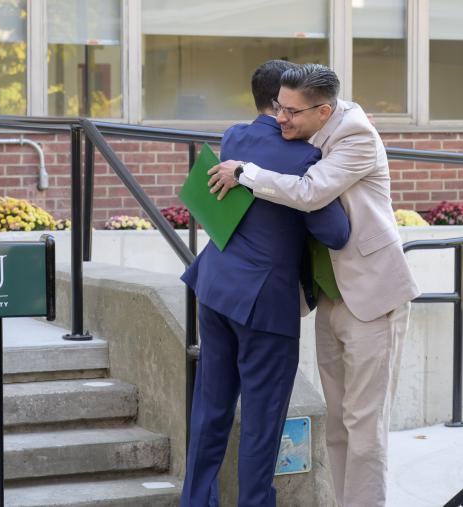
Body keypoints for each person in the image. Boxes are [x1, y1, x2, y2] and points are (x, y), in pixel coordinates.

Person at [208, 63, 420, 507]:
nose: (280, 118)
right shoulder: (311, 129)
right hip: (328, 296)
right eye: (279, 106)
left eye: (291, 112)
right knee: (338, 425)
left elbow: (310, 192)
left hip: (370, 297)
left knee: (365, 428)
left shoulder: (356, 136)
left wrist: (244, 171)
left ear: (323, 112)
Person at [180, 60, 352, 507]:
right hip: (264, 305)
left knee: (210, 409)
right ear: (284, 103)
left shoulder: (235, 137)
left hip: (215, 286)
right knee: (262, 423)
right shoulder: (305, 159)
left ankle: (195, 500)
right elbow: (335, 233)